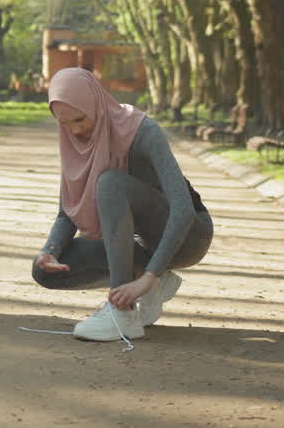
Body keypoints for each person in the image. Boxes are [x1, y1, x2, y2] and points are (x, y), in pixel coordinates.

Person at [32, 67, 213, 342]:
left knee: (109, 183)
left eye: (80, 119)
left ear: (95, 102)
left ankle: (123, 315)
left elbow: (183, 209)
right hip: (140, 245)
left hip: (189, 236)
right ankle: (151, 279)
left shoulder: (141, 130)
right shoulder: (74, 140)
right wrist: (50, 250)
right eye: (64, 124)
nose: (75, 131)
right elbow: (67, 213)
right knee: (44, 272)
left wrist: (148, 278)